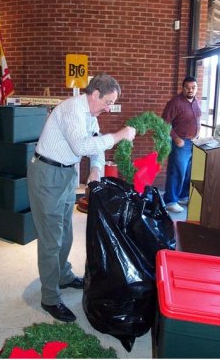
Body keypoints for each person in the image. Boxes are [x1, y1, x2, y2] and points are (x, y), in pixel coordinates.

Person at [27, 72, 136, 323]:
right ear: (95, 94)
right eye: (108, 102)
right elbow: (81, 147)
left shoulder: (91, 115)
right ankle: (50, 298)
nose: (109, 109)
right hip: (47, 174)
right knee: (51, 238)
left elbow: (95, 144)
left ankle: (63, 275)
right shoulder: (72, 110)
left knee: (65, 231)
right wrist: (119, 135)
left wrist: (97, 169)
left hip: (66, 175)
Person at [162, 76, 201, 213]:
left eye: (193, 87)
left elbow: (196, 120)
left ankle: (183, 196)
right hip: (181, 143)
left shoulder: (196, 101)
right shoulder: (175, 102)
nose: (190, 90)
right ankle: (170, 201)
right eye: (187, 87)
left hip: (194, 142)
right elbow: (164, 122)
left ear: (196, 88)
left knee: (188, 171)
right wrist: (176, 138)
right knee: (177, 171)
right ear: (183, 88)